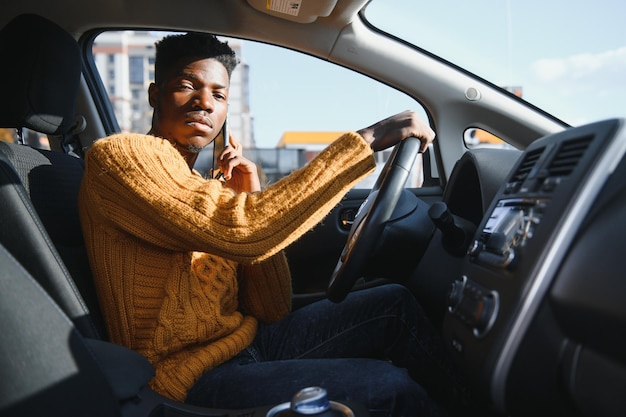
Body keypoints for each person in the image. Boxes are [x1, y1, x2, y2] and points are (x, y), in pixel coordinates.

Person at [78, 32, 465, 416]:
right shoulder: (121, 158)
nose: (203, 103)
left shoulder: (202, 186)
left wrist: (249, 191)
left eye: (218, 94)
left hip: (248, 343)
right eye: (186, 86)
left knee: (393, 304)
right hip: (185, 378)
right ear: (153, 95)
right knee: (387, 388)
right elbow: (245, 231)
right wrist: (369, 139)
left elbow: (272, 306)